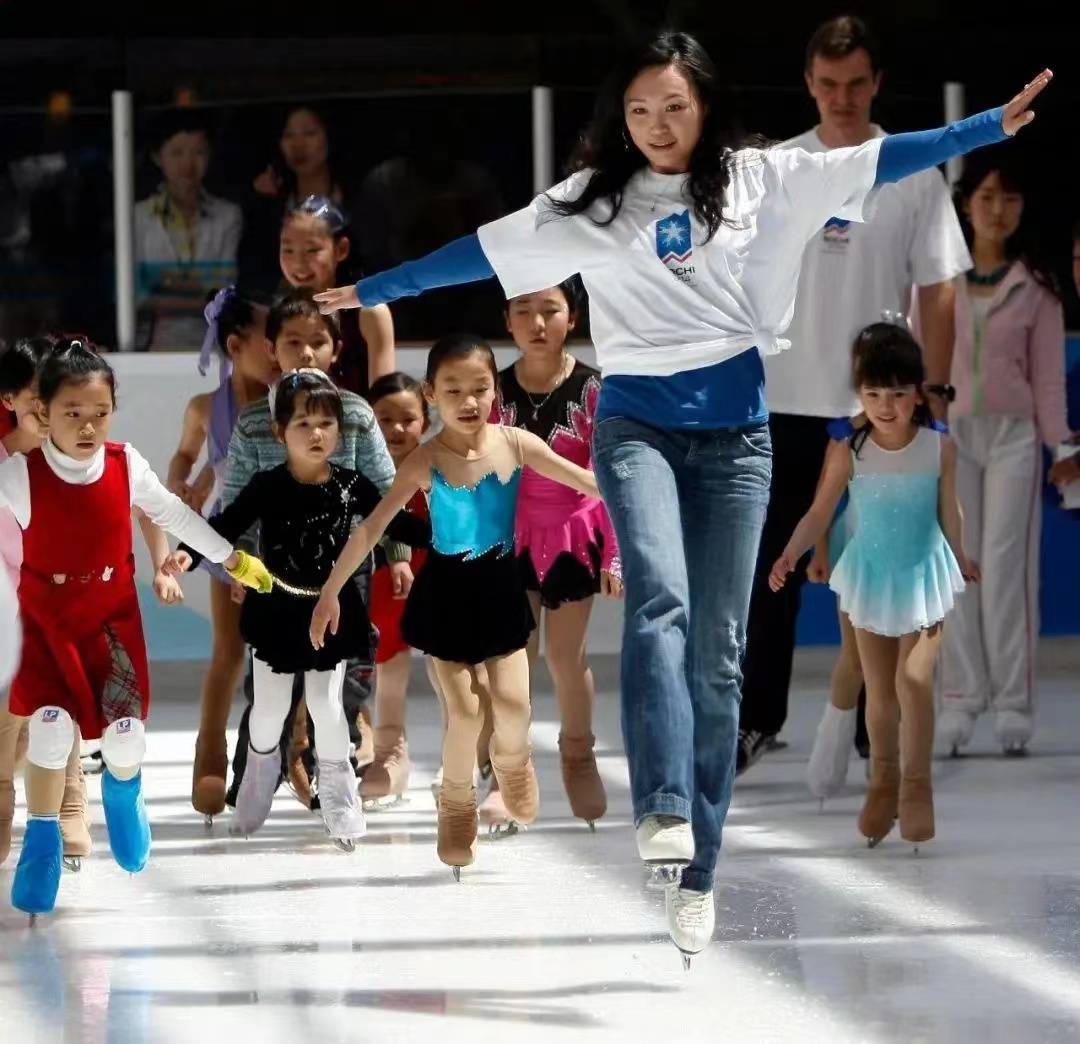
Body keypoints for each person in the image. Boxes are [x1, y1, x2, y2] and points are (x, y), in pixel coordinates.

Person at [312, 30, 1051, 961]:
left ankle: (698, 868)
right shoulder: (590, 201)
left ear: (703, 107)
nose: (657, 125)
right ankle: (660, 811)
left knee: (722, 654)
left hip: (738, 432)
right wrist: (376, 287)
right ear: (619, 119)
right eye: (638, 110)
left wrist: (984, 127)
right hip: (637, 426)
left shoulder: (759, 179)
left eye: (673, 107)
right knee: (659, 599)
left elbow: (884, 158)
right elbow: (479, 253)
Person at [738, 15, 973, 775]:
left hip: (880, 412)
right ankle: (757, 718)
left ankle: (881, 726)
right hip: (780, 399)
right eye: (828, 84)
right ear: (809, 84)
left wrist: (930, 389)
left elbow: (939, 289)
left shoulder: (913, 170)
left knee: (888, 565)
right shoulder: (772, 170)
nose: (841, 98)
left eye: (856, 84)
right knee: (772, 568)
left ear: (875, 85)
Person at [309, 335, 600, 878]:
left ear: (496, 391)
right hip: (445, 600)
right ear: (431, 394)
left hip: (501, 596)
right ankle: (457, 800)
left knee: (512, 705)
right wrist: (331, 590)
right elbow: (374, 527)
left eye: (480, 388)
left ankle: (513, 764)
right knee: (466, 713)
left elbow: (590, 483)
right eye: (453, 390)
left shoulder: (517, 443)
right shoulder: (425, 459)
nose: (468, 401)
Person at [0, 340, 269, 917]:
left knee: (123, 735)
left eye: (99, 413)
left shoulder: (125, 464)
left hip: (110, 620)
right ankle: (41, 845)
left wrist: (230, 557)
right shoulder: (19, 475)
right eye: (72, 413)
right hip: (45, 623)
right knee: (48, 732)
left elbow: (173, 513)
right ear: (43, 414)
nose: (88, 426)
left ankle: (123, 793)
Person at [170, 370, 429, 847]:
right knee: (269, 710)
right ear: (278, 431)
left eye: (327, 424)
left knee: (327, 706)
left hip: (332, 611)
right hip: (277, 612)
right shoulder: (268, 486)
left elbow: (393, 522)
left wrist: (449, 535)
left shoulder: (353, 486)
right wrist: (189, 552)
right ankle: (259, 776)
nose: (317, 434)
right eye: (304, 424)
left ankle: (338, 793)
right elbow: (227, 524)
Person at [771, 322, 976, 850]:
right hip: (870, 574)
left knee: (914, 678)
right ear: (859, 393)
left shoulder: (938, 448)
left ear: (917, 393)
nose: (886, 406)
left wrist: (960, 553)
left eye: (898, 394)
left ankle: (916, 785)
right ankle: (883, 781)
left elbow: (948, 512)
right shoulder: (850, 448)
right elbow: (820, 511)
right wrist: (793, 552)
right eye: (874, 394)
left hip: (923, 573)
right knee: (879, 691)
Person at [221, 288, 405, 810]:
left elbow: (384, 490)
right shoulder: (257, 422)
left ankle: (335, 778)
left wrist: (396, 555)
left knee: (342, 681)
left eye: (317, 341)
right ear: (270, 349)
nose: (305, 352)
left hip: (347, 572)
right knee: (269, 682)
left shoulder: (357, 415)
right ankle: (252, 775)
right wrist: (239, 564)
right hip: (274, 574)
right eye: (292, 342)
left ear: (335, 349)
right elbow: (237, 498)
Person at [938, 150, 1072, 754]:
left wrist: (1061, 443)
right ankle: (962, 698)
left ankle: (1013, 703)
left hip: (1015, 435)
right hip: (952, 435)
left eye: (1010, 199)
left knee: (1008, 567)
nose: (997, 210)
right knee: (957, 564)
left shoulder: (1037, 288)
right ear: (967, 204)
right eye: (987, 196)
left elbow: (1048, 378)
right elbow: (922, 361)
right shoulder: (938, 279)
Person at [484, 278, 621, 831]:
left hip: (572, 534)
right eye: (524, 311)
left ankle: (578, 753)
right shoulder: (489, 390)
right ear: (507, 320)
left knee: (564, 658)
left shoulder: (598, 390)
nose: (537, 323)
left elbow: (612, 475)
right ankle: (507, 773)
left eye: (550, 310)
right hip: (508, 536)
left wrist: (614, 555)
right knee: (510, 659)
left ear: (573, 317)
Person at [165, 287, 277, 818]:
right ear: (236, 345)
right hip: (230, 542)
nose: (280, 349)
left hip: (290, 539)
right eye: (270, 339)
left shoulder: (293, 397)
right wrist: (181, 486)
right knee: (230, 652)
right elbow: (188, 453)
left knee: (294, 655)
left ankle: (292, 753)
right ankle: (209, 755)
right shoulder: (207, 407)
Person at [361, 372, 440, 808]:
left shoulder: (443, 464)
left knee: (449, 674)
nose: (396, 428)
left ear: (425, 421)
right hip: (383, 584)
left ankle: (461, 762)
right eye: (384, 418)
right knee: (388, 673)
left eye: (407, 419)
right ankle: (389, 756)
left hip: (439, 581)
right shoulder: (363, 472)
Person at [134, 109, 242, 351]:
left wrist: (165, 283)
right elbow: (137, 298)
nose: (188, 164)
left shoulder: (227, 216)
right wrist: (199, 289)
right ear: (157, 156)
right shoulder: (138, 217)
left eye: (198, 152)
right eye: (176, 152)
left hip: (214, 347)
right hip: (152, 348)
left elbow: (224, 296)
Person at [278, 196, 395, 398]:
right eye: (288, 249)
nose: (298, 263)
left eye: (312, 250)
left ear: (341, 249)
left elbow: (385, 402)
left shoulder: (370, 313)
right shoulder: (279, 313)